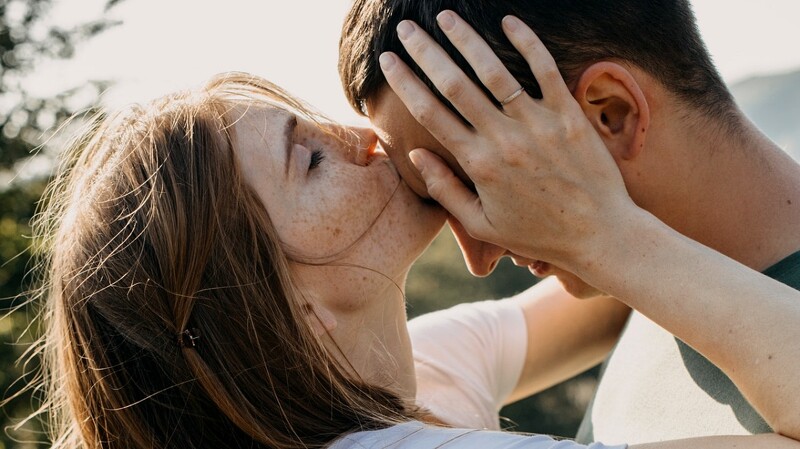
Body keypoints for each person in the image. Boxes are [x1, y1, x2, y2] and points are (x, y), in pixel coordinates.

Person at [26, 71, 800, 449]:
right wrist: (606, 235)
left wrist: (558, 213)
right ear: (284, 310)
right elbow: (629, 263)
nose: (363, 138)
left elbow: (612, 297)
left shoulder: (392, 378)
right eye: (311, 159)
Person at [338, 0, 800, 445]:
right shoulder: (637, 285)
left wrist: (608, 240)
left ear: (613, 113)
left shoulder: (629, 258)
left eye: (481, 182)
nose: (479, 259)